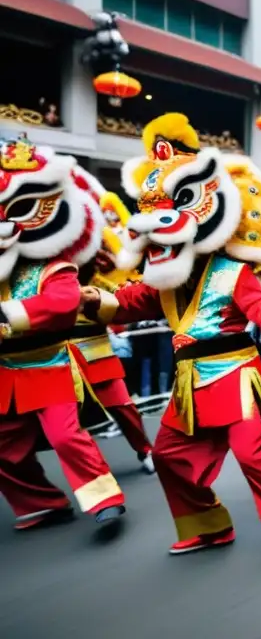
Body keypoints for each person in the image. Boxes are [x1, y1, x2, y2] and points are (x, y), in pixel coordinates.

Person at [81, 113, 261, 577]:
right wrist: (96, 298)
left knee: (254, 456)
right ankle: (210, 524)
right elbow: (133, 300)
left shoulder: (232, 271)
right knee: (169, 456)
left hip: (234, 377)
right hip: (188, 385)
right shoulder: (167, 278)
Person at [0, 137, 126, 531]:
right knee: (4, 446)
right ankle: (42, 502)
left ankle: (105, 498)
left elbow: (60, 304)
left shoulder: (54, 266)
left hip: (50, 365)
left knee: (67, 436)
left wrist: (7, 313)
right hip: (6, 372)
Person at [71, 170, 155, 473]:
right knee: (59, 422)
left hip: (91, 339)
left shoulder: (96, 253)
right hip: (45, 348)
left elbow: (114, 288)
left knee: (122, 405)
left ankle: (145, 449)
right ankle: (91, 476)